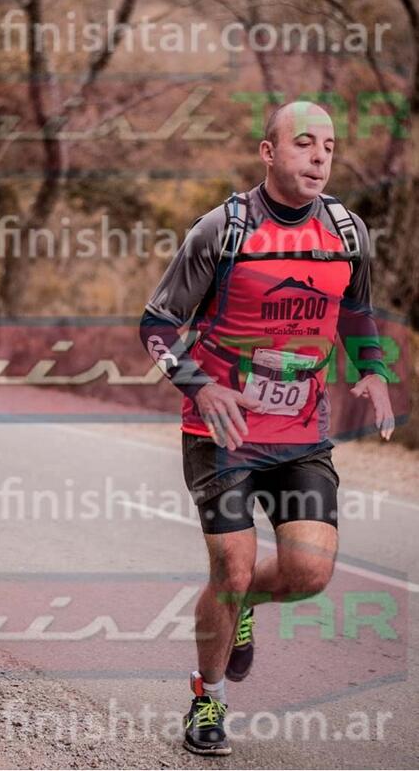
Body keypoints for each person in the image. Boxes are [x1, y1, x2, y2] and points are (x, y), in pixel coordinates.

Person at [140, 101, 395, 756]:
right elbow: (157, 325)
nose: (317, 157)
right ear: (267, 151)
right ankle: (208, 699)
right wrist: (201, 384)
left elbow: (355, 308)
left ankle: (240, 606)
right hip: (220, 429)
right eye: (303, 143)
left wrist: (370, 371)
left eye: (328, 148)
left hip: (300, 432)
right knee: (231, 565)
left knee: (309, 574)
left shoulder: (345, 230)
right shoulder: (221, 229)